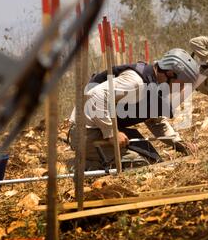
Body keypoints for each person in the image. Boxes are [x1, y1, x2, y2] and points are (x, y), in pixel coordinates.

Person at [68, 48, 200, 170]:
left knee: (152, 160)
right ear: (171, 73)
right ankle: (79, 165)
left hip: (103, 129)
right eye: (182, 84)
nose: (181, 89)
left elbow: (156, 121)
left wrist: (178, 143)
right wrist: (111, 133)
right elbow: (95, 96)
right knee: (139, 164)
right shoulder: (136, 82)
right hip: (86, 132)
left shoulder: (155, 85)